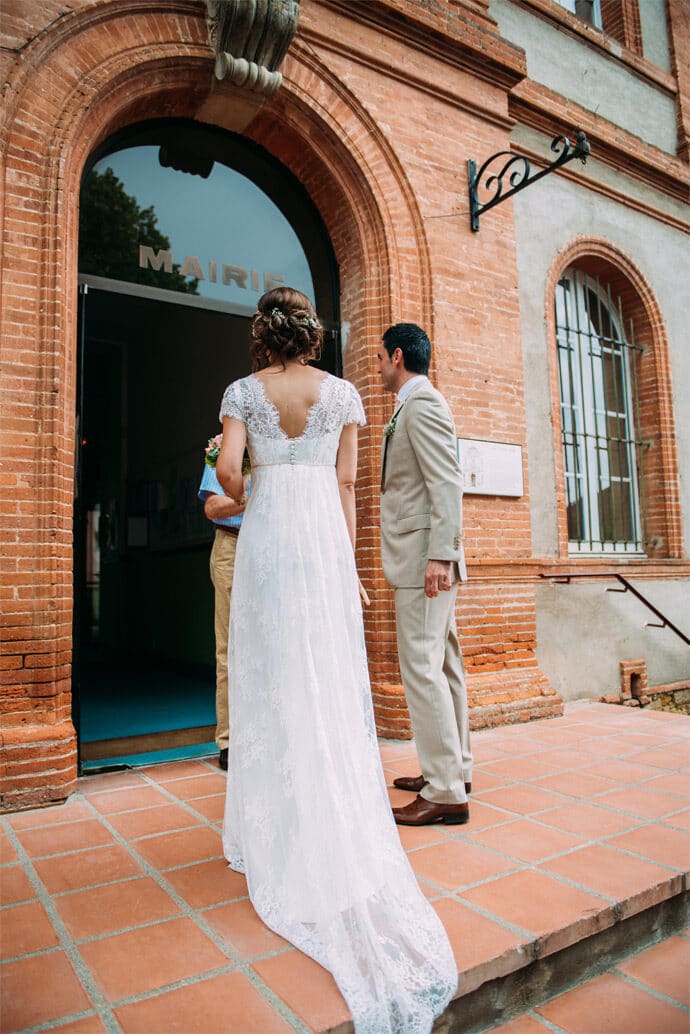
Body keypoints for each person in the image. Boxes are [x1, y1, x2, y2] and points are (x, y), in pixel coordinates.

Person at [216, 288, 456, 1033]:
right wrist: (346, 562)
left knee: (267, 676)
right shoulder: (349, 393)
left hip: (267, 542)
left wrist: (262, 485)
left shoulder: (240, 392)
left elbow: (225, 475)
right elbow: (351, 487)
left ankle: (274, 831)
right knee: (324, 677)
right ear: (313, 333)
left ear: (262, 336)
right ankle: (327, 811)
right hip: (323, 543)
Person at [378, 323, 473, 827]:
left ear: (398, 356)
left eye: (378, 359)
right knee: (445, 662)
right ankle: (454, 768)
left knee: (420, 663)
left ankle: (444, 790)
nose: (375, 367)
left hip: (424, 561)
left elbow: (446, 483)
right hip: (425, 556)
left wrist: (440, 555)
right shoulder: (411, 403)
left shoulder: (423, 404)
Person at [198, 441, 247, 771]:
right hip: (231, 545)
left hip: (272, 545)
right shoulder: (223, 447)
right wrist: (255, 496)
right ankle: (229, 740)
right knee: (229, 647)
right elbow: (213, 507)